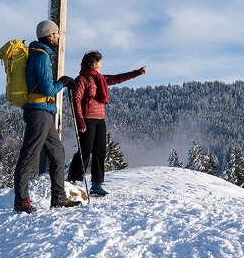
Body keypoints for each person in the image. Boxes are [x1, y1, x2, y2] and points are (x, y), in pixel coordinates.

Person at [13, 20, 80, 213]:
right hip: (39, 112)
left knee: (58, 154)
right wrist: (63, 82)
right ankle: (21, 200)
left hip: (45, 112)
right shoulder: (40, 57)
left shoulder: (40, 54)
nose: (59, 37)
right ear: (50, 35)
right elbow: (48, 89)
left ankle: (59, 198)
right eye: (57, 34)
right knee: (29, 155)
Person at [67, 51, 146, 196]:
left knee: (100, 151)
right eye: (99, 62)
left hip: (100, 119)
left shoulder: (100, 79)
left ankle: (96, 184)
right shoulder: (82, 79)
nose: (101, 65)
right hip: (87, 119)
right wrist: (80, 121)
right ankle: (72, 179)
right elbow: (76, 100)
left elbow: (117, 79)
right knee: (85, 149)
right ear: (93, 64)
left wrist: (136, 73)